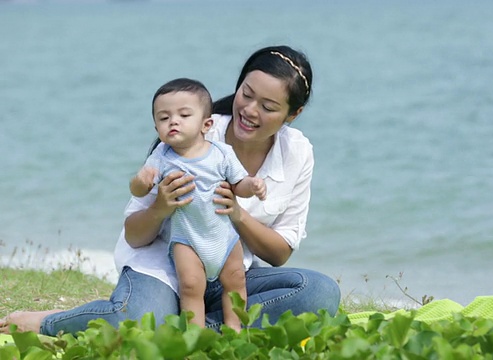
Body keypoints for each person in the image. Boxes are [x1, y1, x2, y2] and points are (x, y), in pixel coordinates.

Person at [0, 45, 340, 335]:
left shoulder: (297, 152)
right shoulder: (189, 135)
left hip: (229, 274)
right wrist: (161, 206)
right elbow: (134, 236)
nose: (249, 111)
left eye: (267, 107)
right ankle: (49, 321)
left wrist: (237, 215)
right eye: (247, 95)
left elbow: (280, 253)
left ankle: (192, 329)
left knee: (319, 293)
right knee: (134, 320)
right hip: (163, 270)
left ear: (292, 115)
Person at [129, 78, 267, 331]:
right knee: (190, 285)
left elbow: (239, 185)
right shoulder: (161, 156)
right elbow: (139, 191)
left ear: (206, 124)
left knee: (235, 281)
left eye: (183, 115)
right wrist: (141, 181)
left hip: (223, 235)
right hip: (187, 237)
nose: (173, 121)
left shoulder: (221, 153)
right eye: (163, 118)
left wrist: (253, 186)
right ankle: (196, 334)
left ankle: (236, 330)